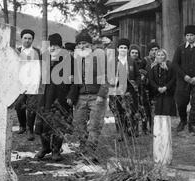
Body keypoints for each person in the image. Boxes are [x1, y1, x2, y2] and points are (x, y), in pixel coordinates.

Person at [67, 31, 109, 161]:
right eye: (79, 43)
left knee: (94, 126)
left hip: (96, 96)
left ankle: (91, 152)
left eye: (84, 43)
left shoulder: (99, 57)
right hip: (80, 97)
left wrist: (102, 94)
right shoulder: (77, 59)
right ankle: (83, 148)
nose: (81, 45)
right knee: (79, 124)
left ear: (90, 44)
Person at [34, 33, 72, 161]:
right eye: (50, 46)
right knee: (43, 123)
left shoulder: (68, 60)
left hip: (60, 97)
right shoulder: (44, 59)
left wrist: (71, 95)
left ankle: (56, 150)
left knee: (58, 125)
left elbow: (75, 81)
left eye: (55, 46)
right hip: (45, 97)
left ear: (60, 47)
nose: (52, 48)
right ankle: (45, 148)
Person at [109, 38, 140, 140]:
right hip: (115, 90)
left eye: (125, 48)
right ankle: (120, 132)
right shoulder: (112, 61)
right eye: (121, 47)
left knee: (129, 111)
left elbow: (137, 76)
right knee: (117, 111)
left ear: (127, 50)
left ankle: (129, 130)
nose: (123, 49)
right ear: (117, 49)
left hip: (129, 91)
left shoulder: (131, 61)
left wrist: (136, 84)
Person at [14, 28, 41, 141]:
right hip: (20, 84)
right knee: (18, 105)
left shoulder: (37, 52)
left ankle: (30, 129)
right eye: (25, 38)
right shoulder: (16, 51)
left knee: (31, 108)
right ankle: (22, 126)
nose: (27, 40)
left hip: (33, 83)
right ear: (21, 39)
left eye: (30, 39)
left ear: (32, 40)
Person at [129, 44, 151, 134]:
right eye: (132, 52)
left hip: (142, 89)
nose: (134, 54)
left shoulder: (142, 63)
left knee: (143, 108)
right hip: (130, 89)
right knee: (132, 109)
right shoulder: (127, 62)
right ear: (129, 53)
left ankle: (145, 128)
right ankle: (134, 128)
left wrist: (143, 77)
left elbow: (146, 74)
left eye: (136, 53)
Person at [149, 49, 176, 117]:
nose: (160, 57)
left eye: (162, 55)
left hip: (167, 92)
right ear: (156, 56)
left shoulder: (170, 65)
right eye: (158, 55)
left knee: (166, 112)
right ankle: (158, 127)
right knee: (157, 112)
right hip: (157, 92)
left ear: (165, 56)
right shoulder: (153, 67)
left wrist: (165, 87)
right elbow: (151, 80)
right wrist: (157, 88)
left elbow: (173, 78)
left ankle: (166, 127)